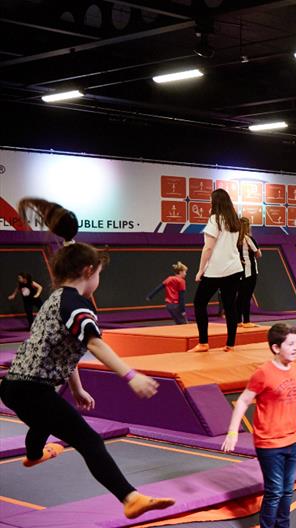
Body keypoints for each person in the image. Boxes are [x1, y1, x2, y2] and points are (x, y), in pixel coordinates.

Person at [0, 198, 174, 520]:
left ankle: (33, 454)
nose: (99, 281)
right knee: (88, 439)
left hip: (15, 386)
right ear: (88, 271)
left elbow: (64, 351)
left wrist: (77, 389)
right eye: (99, 275)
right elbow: (94, 344)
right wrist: (130, 374)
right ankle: (130, 496)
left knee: (44, 418)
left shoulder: (55, 299)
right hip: (31, 388)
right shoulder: (76, 305)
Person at [222, 323, 296, 528]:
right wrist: (233, 432)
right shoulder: (263, 373)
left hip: (292, 440)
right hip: (269, 443)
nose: (295, 348)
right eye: (290, 344)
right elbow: (243, 400)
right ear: (276, 348)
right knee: (275, 490)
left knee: (288, 490)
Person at [191, 188, 243, 353]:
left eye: (210, 201)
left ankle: (203, 342)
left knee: (199, 303)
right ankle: (230, 344)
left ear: (215, 203)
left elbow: (208, 248)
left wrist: (200, 270)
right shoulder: (234, 220)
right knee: (230, 306)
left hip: (216, 270)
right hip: (234, 268)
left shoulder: (215, 219)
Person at [236, 218, 262, 328]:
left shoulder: (234, 239)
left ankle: (237, 320)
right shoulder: (248, 238)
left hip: (238, 271)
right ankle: (246, 321)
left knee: (240, 296)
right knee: (246, 296)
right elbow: (258, 254)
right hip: (249, 271)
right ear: (248, 227)